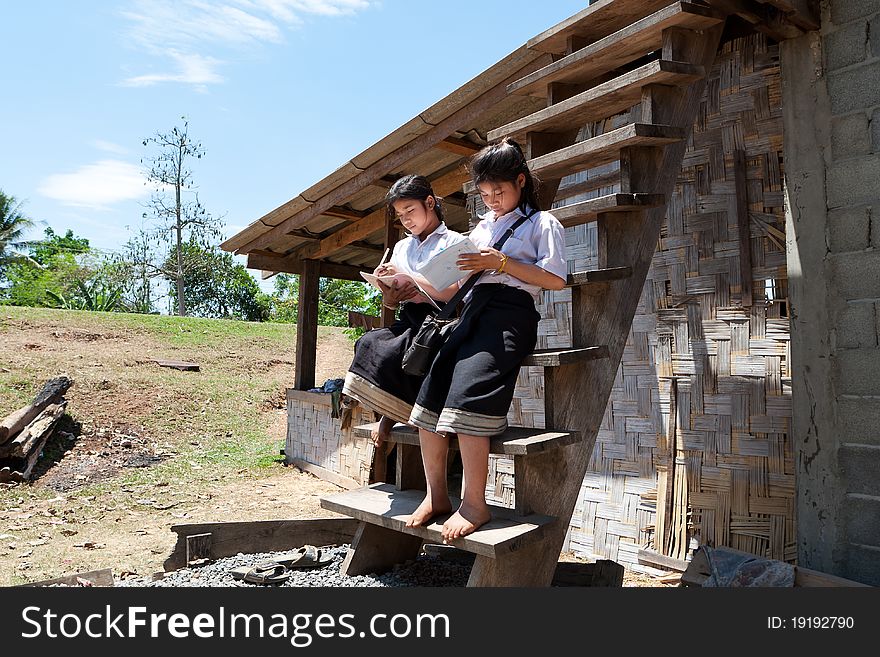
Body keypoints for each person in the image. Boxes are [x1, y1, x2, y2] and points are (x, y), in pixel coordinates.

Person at [405, 137, 567, 542]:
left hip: (511, 314)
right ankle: (436, 495)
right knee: (431, 391)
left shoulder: (543, 224)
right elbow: (456, 284)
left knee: (469, 393)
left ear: (521, 181)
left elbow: (556, 279)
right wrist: (410, 284)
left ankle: (474, 502)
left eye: (500, 191)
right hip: (472, 312)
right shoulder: (480, 228)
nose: (493, 200)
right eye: (486, 194)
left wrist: (503, 263)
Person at [343, 174, 469, 448]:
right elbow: (393, 301)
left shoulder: (453, 242)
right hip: (409, 319)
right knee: (369, 342)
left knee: (405, 353)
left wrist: (408, 277)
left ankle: (397, 416)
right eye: (400, 215)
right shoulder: (401, 247)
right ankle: (393, 413)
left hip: (442, 322)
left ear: (430, 202)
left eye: (410, 211)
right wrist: (389, 291)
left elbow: (454, 291)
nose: (406, 220)